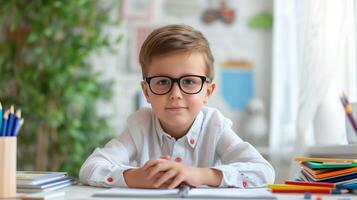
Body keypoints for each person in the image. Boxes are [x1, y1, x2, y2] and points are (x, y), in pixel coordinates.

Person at [79, 24, 275, 189]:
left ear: (207, 91)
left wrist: (199, 175)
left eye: (189, 82)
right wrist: (136, 177)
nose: (175, 94)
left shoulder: (215, 125)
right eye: (163, 82)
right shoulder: (140, 124)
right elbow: (90, 168)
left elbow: (263, 171)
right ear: (146, 92)